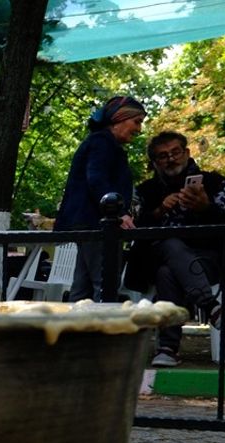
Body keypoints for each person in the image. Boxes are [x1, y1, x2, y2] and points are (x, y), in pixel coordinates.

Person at [130, 131, 225, 367]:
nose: (171, 159)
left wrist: (206, 207)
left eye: (175, 152)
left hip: (208, 260)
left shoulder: (213, 182)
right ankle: (213, 308)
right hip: (155, 260)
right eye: (163, 156)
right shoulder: (145, 191)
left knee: (168, 272)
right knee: (169, 245)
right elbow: (132, 227)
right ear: (155, 163)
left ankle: (167, 347)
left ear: (186, 153)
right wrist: (158, 212)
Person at [54, 96, 146, 302]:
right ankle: (101, 331)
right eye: (137, 122)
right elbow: (96, 178)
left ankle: (71, 331)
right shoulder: (103, 143)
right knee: (105, 283)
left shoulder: (100, 142)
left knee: (82, 286)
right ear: (119, 118)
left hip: (87, 222)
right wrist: (119, 214)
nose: (139, 129)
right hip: (97, 222)